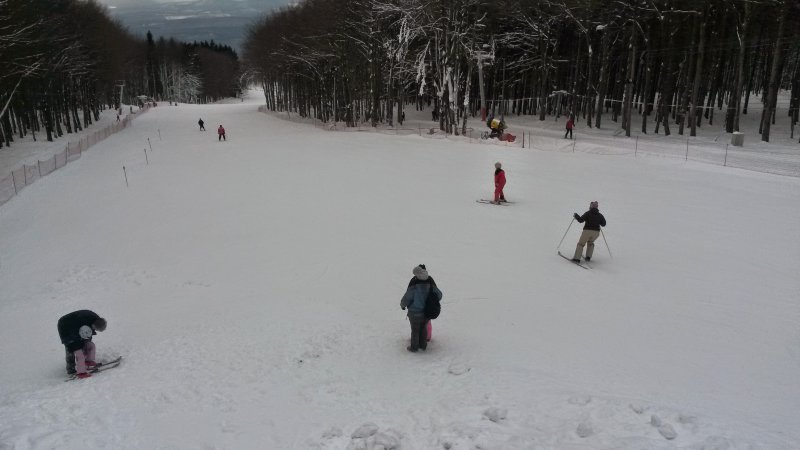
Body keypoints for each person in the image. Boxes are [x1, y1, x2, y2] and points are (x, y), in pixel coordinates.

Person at [400, 265, 442, 352]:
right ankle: (423, 345)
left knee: (415, 330)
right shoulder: (430, 282)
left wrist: (402, 305)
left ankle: (414, 347)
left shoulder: (414, 283)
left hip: (414, 312)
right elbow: (439, 295)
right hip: (426, 312)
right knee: (423, 329)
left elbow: (407, 298)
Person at [57, 310, 107, 378]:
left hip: (77, 326)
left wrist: (87, 344)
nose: (95, 330)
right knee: (73, 351)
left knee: (90, 345)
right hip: (64, 325)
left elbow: (88, 333)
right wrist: (79, 348)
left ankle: (88, 361)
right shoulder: (78, 327)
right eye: (96, 329)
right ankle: (73, 370)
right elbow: (76, 340)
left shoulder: (95, 320)